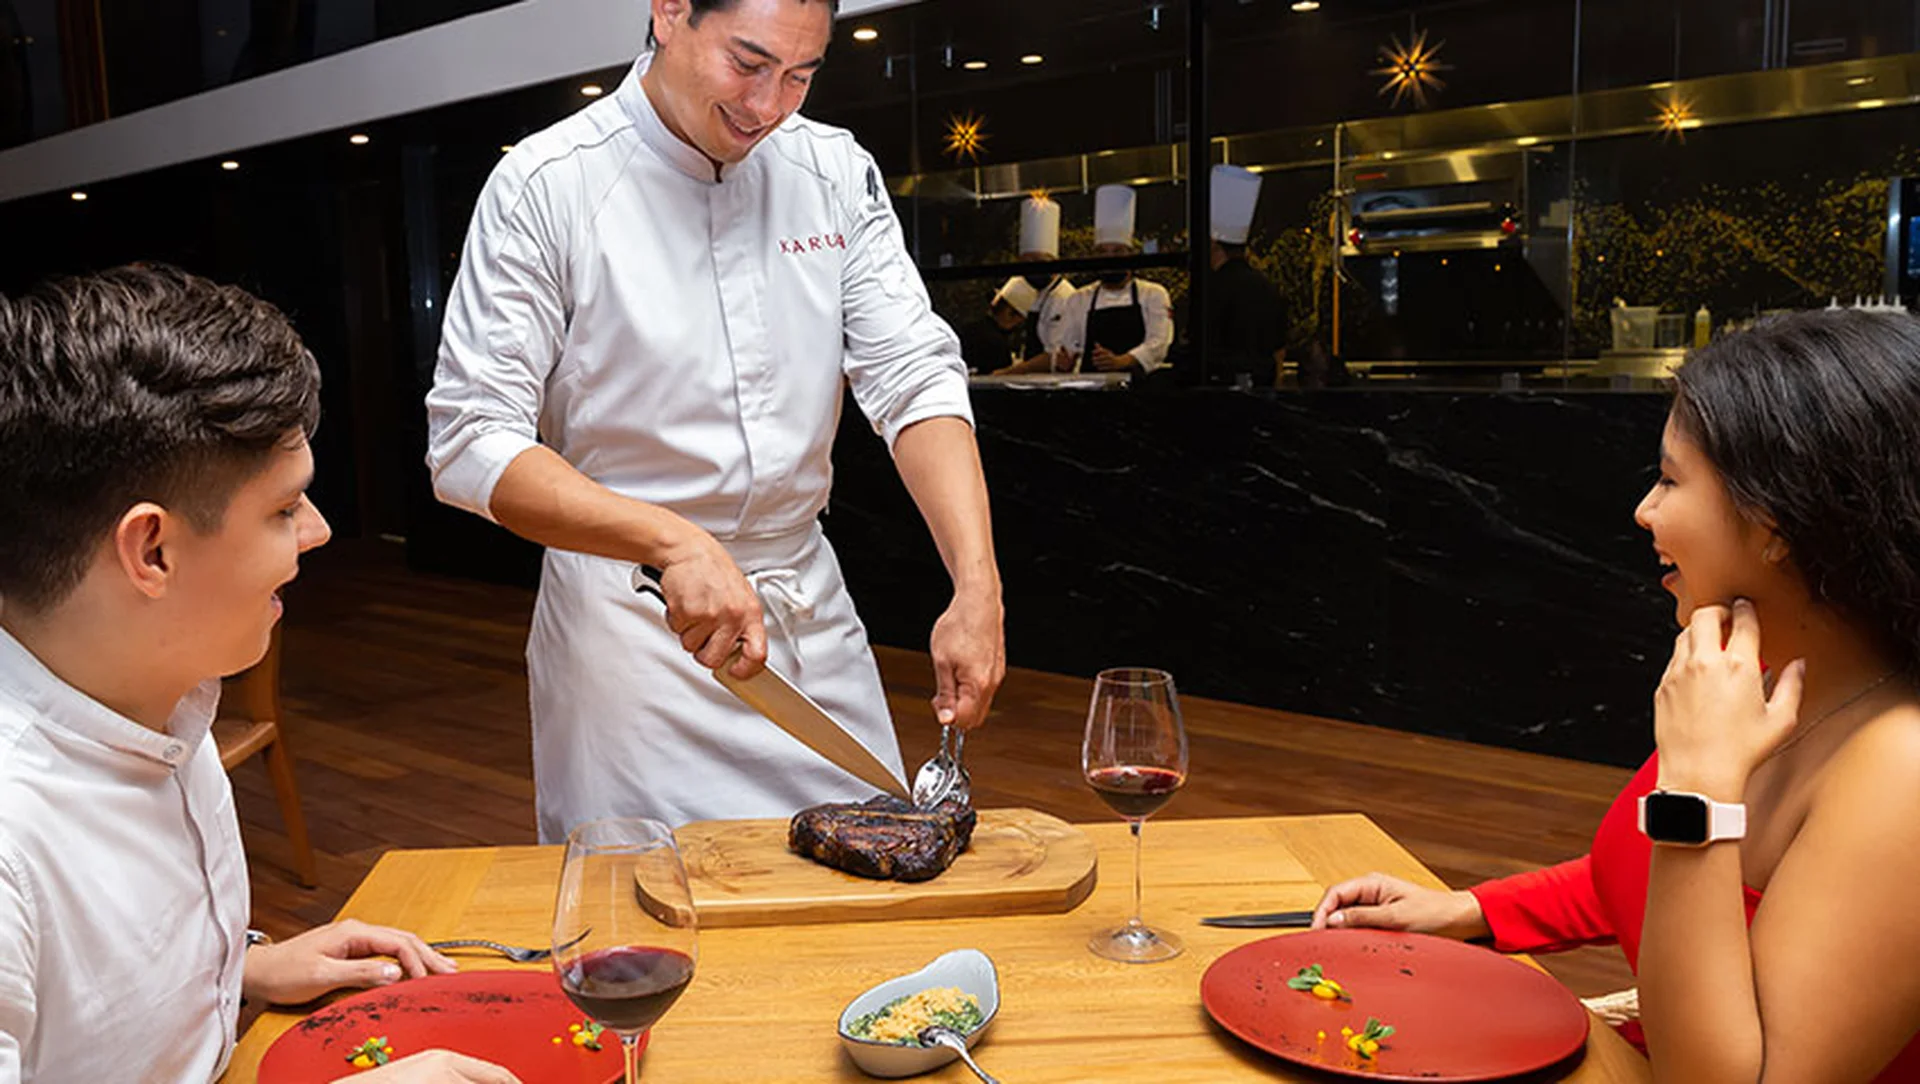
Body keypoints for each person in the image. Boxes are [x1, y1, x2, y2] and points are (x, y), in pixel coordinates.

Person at [426, 0, 1005, 840]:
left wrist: (976, 582)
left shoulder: (833, 172)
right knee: (659, 920)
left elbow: (913, 379)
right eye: (749, 63)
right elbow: (472, 441)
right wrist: (672, 541)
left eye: (801, 76)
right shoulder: (549, 184)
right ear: (669, 12)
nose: (769, 107)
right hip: (633, 624)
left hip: (804, 613)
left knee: (873, 881)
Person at [1311, 310, 1920, 1082]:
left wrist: (1699, 786)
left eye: (1670, 480)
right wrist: (1472, 913)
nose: (1645, 511)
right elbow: (1651, 874)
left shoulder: (1902, 770)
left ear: (1776, 524)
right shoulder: (1767, 680)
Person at [0, 265, 518, 1083]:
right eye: (284, 509)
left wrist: (239, 965)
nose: (316, 532)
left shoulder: (156, 693)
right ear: (153, 551)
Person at [1058, 184, 1174, 378]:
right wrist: (1065, 361)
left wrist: (1121, 361)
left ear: (1131, 254)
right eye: (1103, 252)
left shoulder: (1153, 294)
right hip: (1091, 392)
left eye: (1117, 251)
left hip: (1137, 393)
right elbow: (1069, 347)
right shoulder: (1079, 299)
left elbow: (1159, 344)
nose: (1110, 259)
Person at [1205, 164, 1288, 388]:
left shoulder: (1212, 288)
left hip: (1221, 394)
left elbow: (1205, 349)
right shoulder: (1267, 286)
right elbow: (1279, 350)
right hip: (1263, 390)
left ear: (1213, 245)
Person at [994, 194, 1078, 374]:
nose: (1031, 268)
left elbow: (1055, 356)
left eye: (1038, 260)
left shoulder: (1065, 297)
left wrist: (1009, 372)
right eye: (1026, 261)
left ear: (1054, 261)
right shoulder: (1039, 293)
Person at [958, 277, 1035, 373]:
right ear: (1009, 313)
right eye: (1020, 321)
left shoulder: (967, 330)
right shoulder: (996, 345)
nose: (1019, 325)